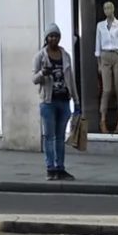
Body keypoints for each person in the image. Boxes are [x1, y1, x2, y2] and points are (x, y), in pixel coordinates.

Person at [32, 23, 76, 180]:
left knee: (60, 136)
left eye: (56, 36)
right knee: (49, 136)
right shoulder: (40, 56)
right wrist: (42, 73)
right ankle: (50, 168)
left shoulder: (65, 55)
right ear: (46, 38)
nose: (54, 39)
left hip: (63, 100)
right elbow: (34, 79)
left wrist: (76, 100)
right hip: (48, 102)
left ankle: (60, 167)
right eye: (51, 36)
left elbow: (71, 79)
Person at [94, 0, 118, 133]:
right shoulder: (100, 26)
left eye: (110, 8)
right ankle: (102, 119)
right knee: (107, 89)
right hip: (104, 55)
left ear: (114, 9)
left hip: (117, 54)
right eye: (105, 8)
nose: (108, 10)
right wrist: (98, 62)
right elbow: (97, 43)